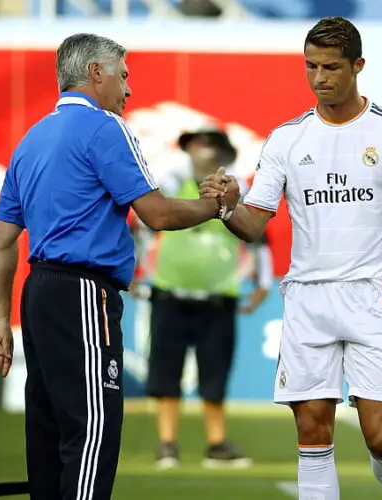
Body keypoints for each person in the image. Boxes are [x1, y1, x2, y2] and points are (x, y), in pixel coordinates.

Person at [0, 33, 227, 500]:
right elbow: (159, 214)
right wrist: (217, 207)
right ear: (97, 72)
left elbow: (3, 237)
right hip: (83, 293)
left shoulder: (32, 138)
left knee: (48, 437)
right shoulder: (105, 127)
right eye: (124, 76)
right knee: (91, 432)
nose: (128, 90)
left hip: (39, 293)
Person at [200, 17, 382, 500]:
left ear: (358, 66)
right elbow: (252, 224)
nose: (319, 77)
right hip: (309, 300)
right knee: (312, 433)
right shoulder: (287, 139)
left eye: (330, 67)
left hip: (374, 299)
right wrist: (226, 205)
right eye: (310, 66)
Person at [137, 127, 272, 469]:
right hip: (170, 294)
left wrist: (262, 283)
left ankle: (216, 444)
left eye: (209, 145)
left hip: (218, 298)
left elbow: (258, 238)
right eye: (196, 145)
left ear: (223, 153)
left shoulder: (235, 190)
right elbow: (142, 227)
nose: (202, 152)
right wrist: (134, 272)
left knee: (216, 374)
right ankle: (167, 444)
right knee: (166, 374)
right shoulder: (170, 184)